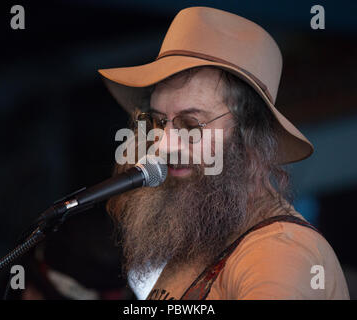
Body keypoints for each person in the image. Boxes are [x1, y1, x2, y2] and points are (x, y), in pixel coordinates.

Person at [98, 7, 350, 299]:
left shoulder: (278, 250)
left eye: (191, 124)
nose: (163, 144)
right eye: (157, 121)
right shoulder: (200, 240)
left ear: (249, 139)